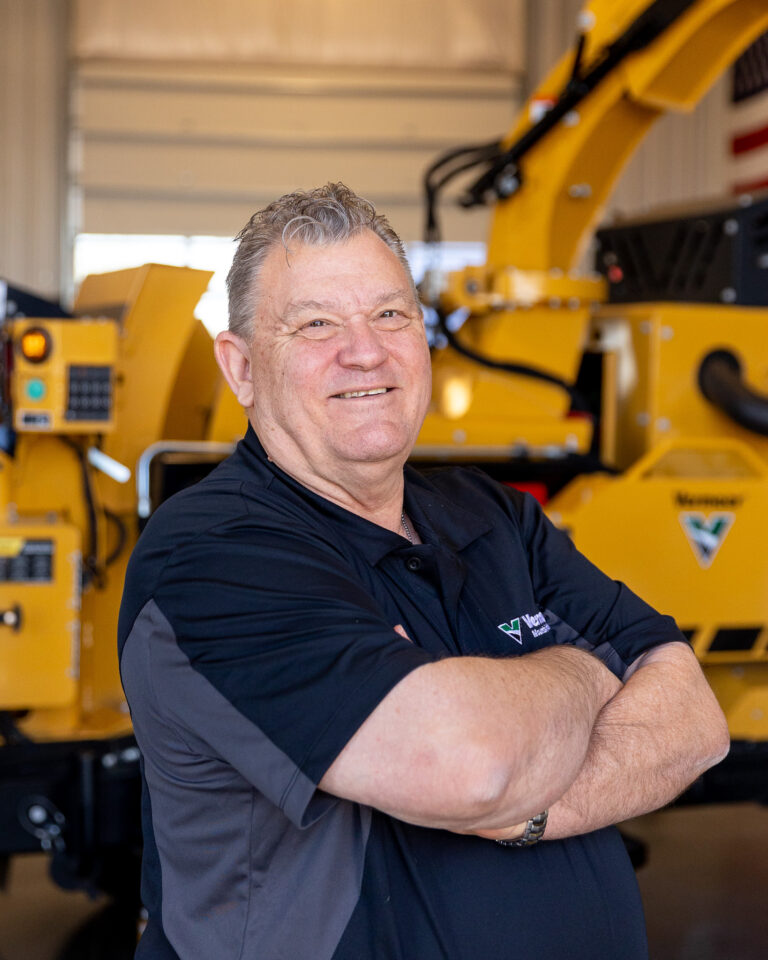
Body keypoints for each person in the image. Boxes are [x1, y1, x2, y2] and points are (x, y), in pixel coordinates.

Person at [118, 182, 729, 960]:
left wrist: (532, 804)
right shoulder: (212, 555)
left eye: (390, 314)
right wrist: (585, 670)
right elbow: (470, 768)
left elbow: (695, 719)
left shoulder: (494, 516)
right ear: (239, 368)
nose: (364, 350)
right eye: (315, 324)